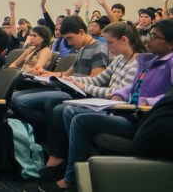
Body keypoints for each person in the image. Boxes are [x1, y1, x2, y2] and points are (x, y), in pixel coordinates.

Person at [47, 19, 173, 191]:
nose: (148, 39)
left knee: (80, 120)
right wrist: (120, 93)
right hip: (127, 112)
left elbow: (169, 97)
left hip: (144, 121)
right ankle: (81, 167)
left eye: (154, 36)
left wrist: (148, 101)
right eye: (149, 34)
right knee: (72, 113)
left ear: (170, 42)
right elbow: (132, 86)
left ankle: (72, 178)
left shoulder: (169, 63)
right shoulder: (150, 61)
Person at [40, 21, 143, 179]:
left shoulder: (137, 63)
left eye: (110, 42)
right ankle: (78, 163)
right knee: (68, 110)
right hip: (110, 107)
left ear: (124, 40)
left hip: (123, 112)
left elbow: (117, 93)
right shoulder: (120, 59)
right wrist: (73, 81)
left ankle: (73, 174)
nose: (107, 47)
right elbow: (98, 80)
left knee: (71, 112)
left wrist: (84, 86)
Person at [11, 16, 108, 140]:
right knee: (14, 98)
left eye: (70, 38)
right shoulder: (82, 49)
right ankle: (41, 134)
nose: (68, 43)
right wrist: (46, 73)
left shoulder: (99, 48)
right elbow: (67, 74)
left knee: (22, 101)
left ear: (81, 32)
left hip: (80, 93)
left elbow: (96, 79)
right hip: (68, 88)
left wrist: (71, 80)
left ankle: (46, 134)